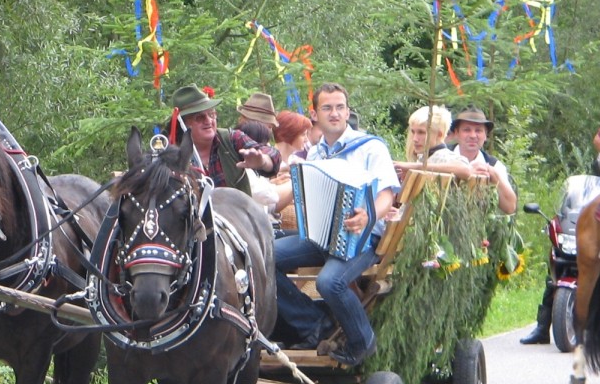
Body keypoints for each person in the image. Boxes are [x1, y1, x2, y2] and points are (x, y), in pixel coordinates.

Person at [272, 83, 401, 365]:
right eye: (327, 108)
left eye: (340, 107)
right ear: (315, 114)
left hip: (362, 238)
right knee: (261, 258)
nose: (335, 113)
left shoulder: (370, 147)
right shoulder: (316, 153)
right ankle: (313, 323)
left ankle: (363, 341)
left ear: (347, 111)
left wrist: (367, 215)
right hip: (320, 237)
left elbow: (388, 196)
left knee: (330, 282)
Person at [167, 85, 281, 196]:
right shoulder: (172, 153)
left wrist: (263, 162)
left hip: (237, 214)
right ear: (183, 123)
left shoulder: (231, 138)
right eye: (200, 117)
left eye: (212, 114)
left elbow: (273, 154)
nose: (209, 121)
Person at [449, 107, 517, 215]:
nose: (472, 135)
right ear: (456, 133)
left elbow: (510, 207)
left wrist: (494, 177)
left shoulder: (495, 166)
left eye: (478, 131)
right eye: (467, 130)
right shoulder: (442, 157)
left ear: (485, 135)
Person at [393, 105, 473, 181]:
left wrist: (415, 167)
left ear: (439, 134)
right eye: (413, 132)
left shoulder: (447, 157)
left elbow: (465, 170)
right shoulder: (422, 158)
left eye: (421, 132)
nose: (415, 139)